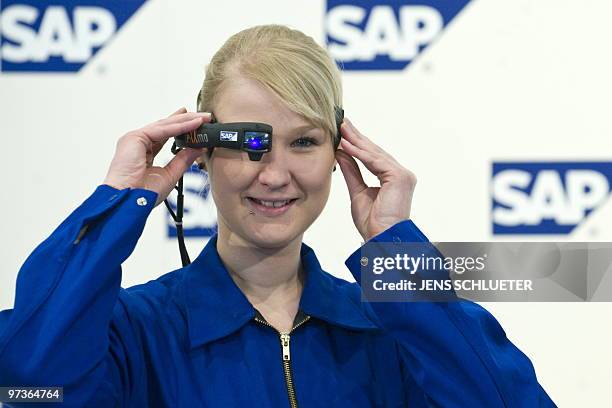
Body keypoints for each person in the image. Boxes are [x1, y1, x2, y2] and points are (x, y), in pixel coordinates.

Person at [0, 25, 554, 407]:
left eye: (304, 142)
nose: (275, 173)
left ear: (341, 155)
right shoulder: (131, 333)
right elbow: (29, 383)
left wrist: (396, 257)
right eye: (249, 142)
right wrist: (119, 202)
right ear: (201, 149)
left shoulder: (394, 330)